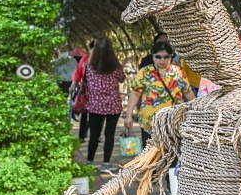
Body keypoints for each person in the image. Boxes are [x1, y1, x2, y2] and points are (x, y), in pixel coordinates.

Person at [125, 41, 195, 147]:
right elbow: (135, 94)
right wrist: (128, 115)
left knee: (172, 153)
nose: (162, 60)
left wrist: (197, 109)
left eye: (166, 57)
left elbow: (188, 92)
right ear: (152, 56)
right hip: (149, 122)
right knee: (150, 155)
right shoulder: (144, 72)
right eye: (158, 57)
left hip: (173, 121)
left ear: (171, 56)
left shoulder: (179, 71)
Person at [81, 37, 126, 172]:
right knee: (109, 134)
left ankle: (90, 161)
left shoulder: (88, 65)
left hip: (95, 105)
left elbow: (85, 82)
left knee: (94, 134)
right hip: (113, 105)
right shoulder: (116, 67)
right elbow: (122, 79)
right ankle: (106, 163)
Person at [71, 40, 94, 141]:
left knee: (97, 116)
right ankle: (82, 135)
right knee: (85, 114)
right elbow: (78, 73)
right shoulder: (85, 59)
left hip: (100, 93)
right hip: (86, 91)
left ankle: (94, 135)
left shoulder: (105, 59)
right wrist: (73, 86)